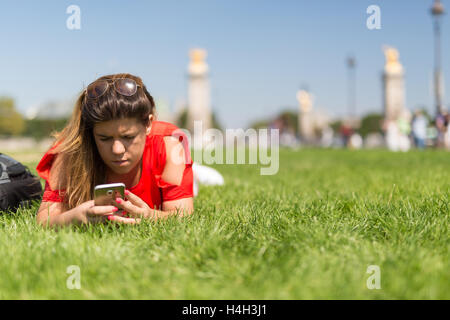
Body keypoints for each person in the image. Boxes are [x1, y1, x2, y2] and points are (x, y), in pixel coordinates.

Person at [36, 73, 194, 227]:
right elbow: (44, 220)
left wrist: (149, 215)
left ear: (148, 124)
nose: (117, 150)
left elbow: (183, 215)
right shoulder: (69, 150)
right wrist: (74, 217)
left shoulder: (170, 142)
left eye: (128, 137)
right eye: (104, 138)